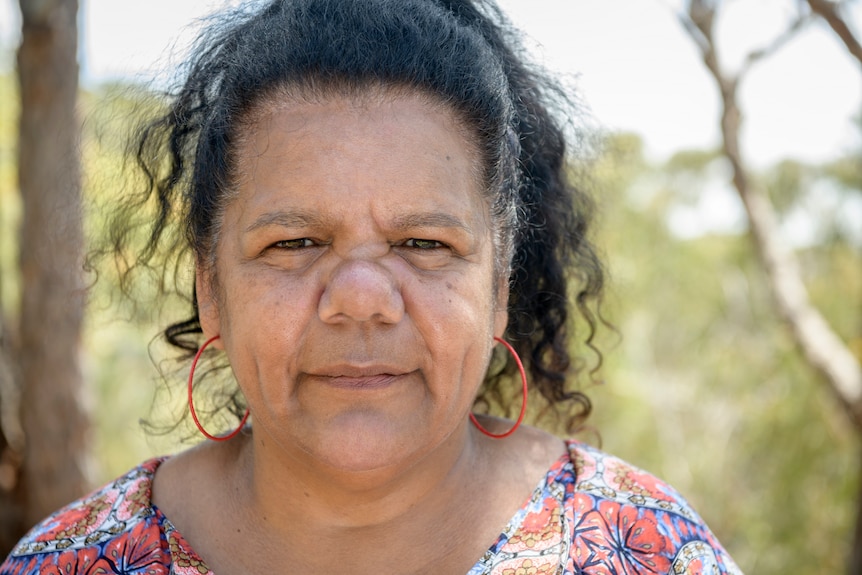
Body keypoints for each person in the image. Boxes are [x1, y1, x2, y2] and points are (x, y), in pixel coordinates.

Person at [1, 0, 743, 573]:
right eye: (294, 242)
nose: (361, 296)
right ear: (211, 288)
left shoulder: (645, 548)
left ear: (498, 289)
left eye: (424, 243)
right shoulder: (71, 560)